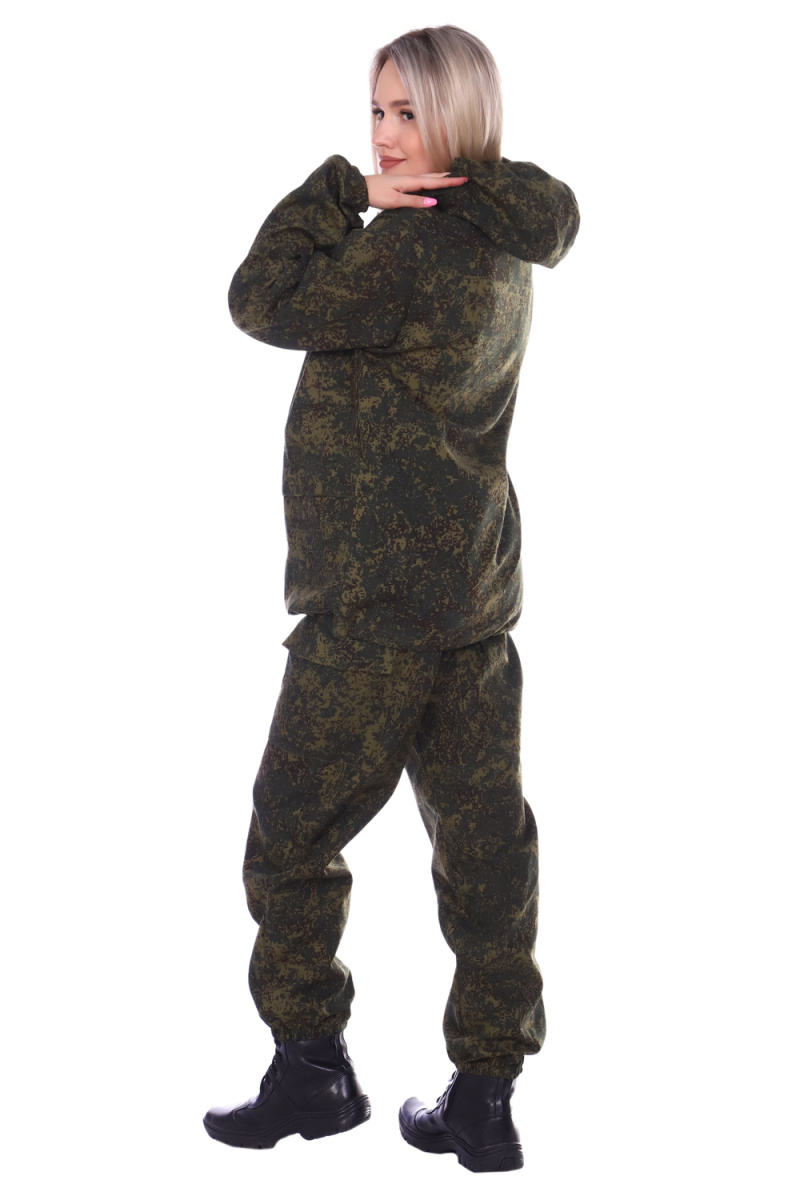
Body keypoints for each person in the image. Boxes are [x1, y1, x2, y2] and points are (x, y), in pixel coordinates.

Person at [203, 24, 580, 1173]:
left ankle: (310, 1071)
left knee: (288, 838)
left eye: (407, 114)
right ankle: (485, 1099)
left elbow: (258, 299)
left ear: (458, 117)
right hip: (470, 594)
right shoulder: (503, 237)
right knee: (484, 848)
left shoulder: (407, 245)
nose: (383, 137)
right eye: (375, 113)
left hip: (374, 608)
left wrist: (340, 191)